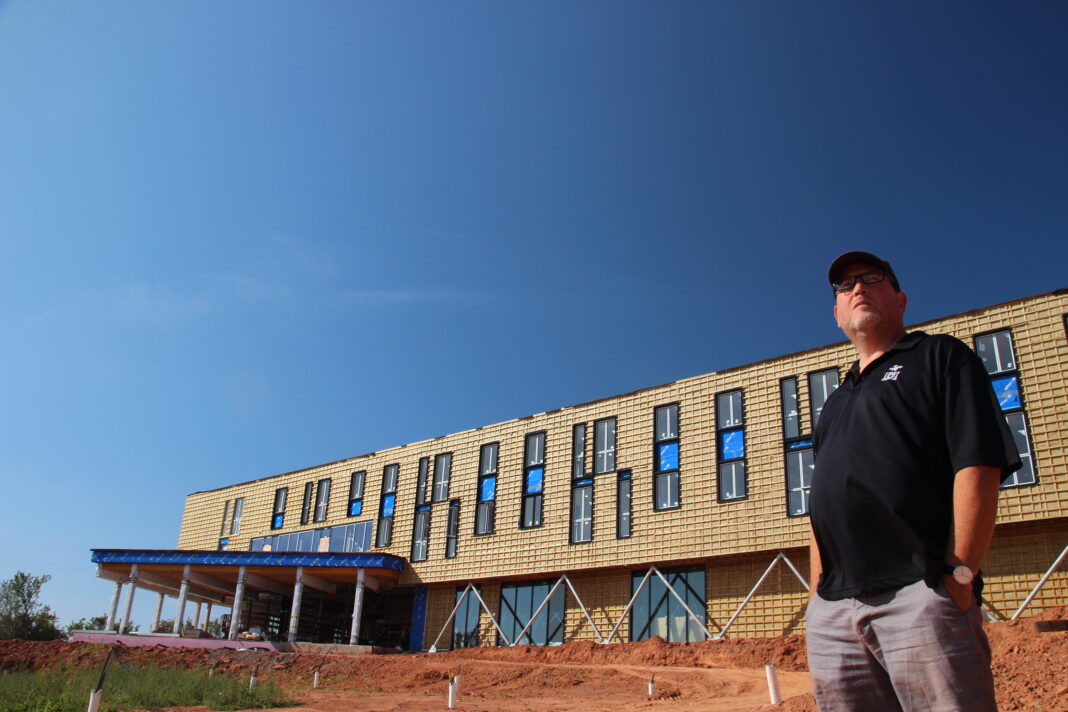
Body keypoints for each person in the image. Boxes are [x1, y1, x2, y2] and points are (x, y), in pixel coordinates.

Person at [806, 251, 1021, 712]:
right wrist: (815, 598)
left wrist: (958, 576)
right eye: (845, 286)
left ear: (901, 300)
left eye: (872, 278)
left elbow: (979, 464)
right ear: (837, 314)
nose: (858, 288)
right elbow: (819, 509)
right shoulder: (834, 402)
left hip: (921, 596)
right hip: (835, 614)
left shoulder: (940, 357)